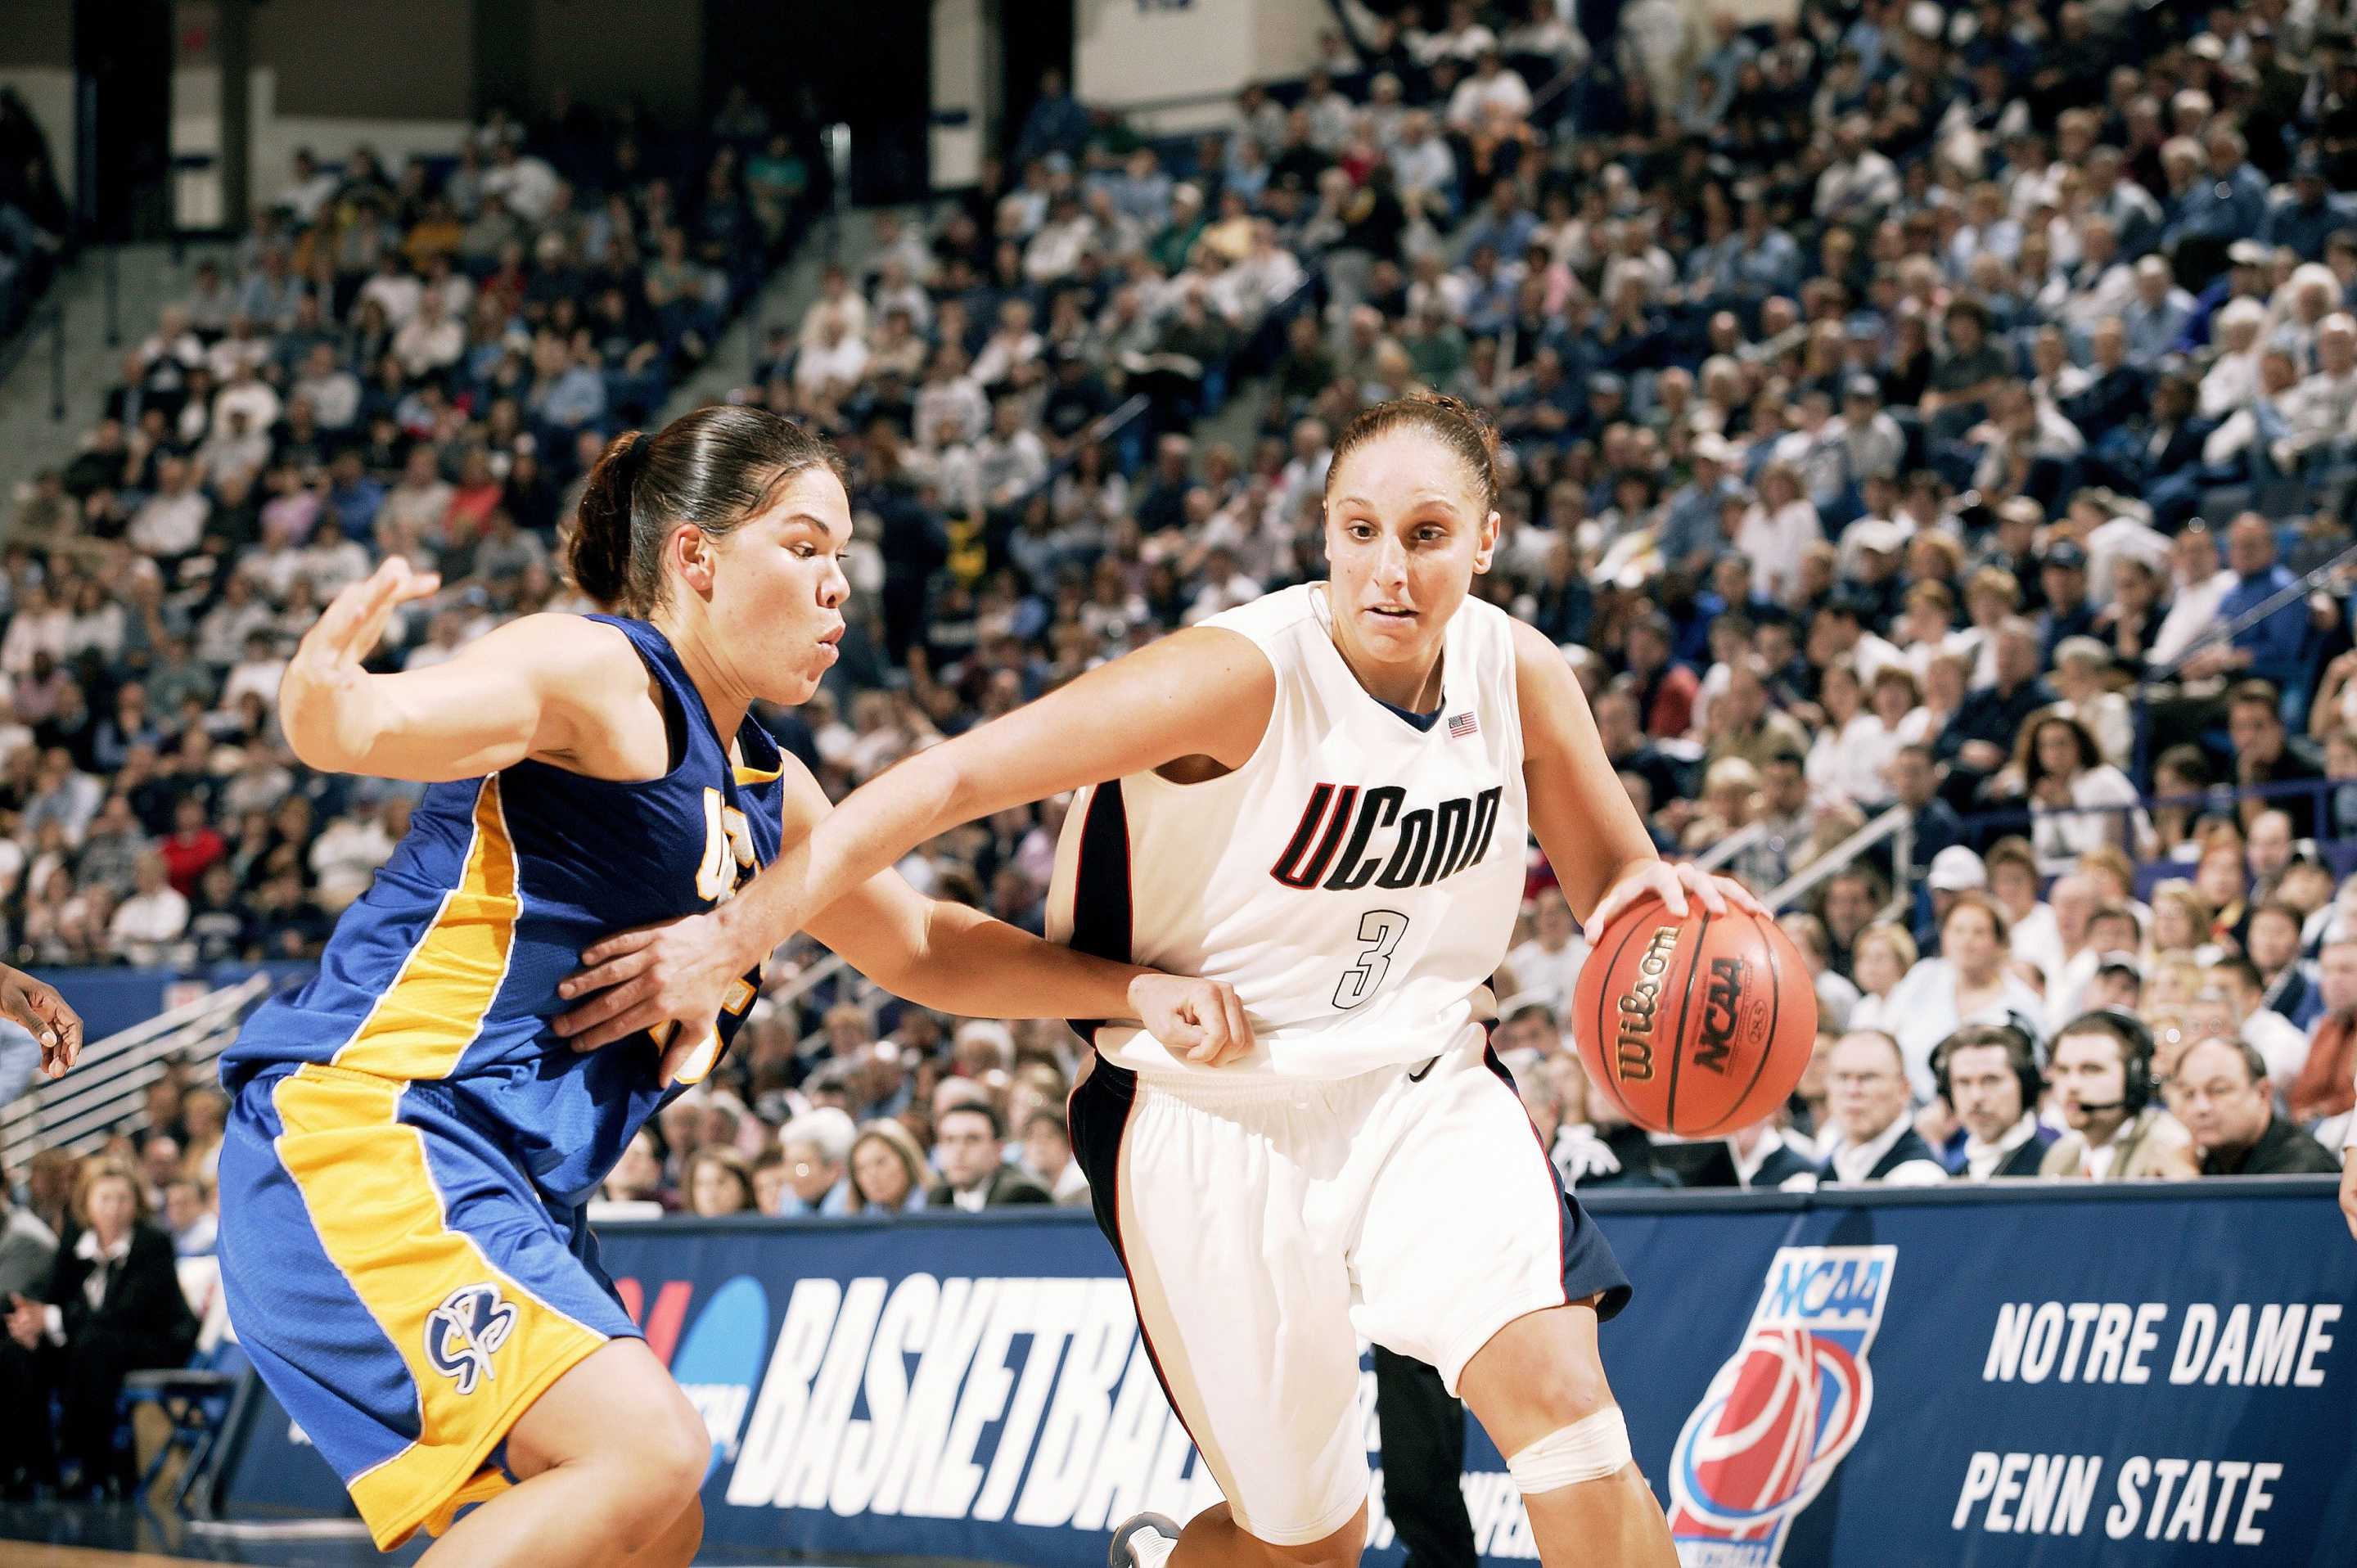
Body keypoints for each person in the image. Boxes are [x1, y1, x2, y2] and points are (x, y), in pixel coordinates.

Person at [553, 394, 1738, 1568]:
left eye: (1429, 536)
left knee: (1564, 1402)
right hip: (1211, 1114)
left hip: (1421, 1084)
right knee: (1305, 1548)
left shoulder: (1514, 669)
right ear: (1322, 531)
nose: (1390, 570)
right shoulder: (1237, 677)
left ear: (1484, 543)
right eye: (1360, 531)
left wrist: (1675, 919)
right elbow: (947, 782)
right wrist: (737, 931)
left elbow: (1619, 884)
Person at [202, 407, 1244, 1566]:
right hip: (373, 1126)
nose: (838, 585)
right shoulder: (600, 674)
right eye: (804, 548)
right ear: (694, 557)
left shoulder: (766, 783)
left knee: (658, 1521)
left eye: (843, 555)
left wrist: (1126, 990)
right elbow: (383, 721)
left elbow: (919, 948)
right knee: (647, 1457)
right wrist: (323, 691)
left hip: (508, 1184)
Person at [4, 1156, 199, 1496]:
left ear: (136, 1203)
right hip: (90, 1343)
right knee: (17, 1351)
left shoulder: (151, 1244)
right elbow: (54, 1298)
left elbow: (127, 1313)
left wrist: (50, 1319)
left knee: (94, 1345)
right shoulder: (77, 1242)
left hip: (154, 1343)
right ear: (87, 1203)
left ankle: (90, 1465)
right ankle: (29, 1466)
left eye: (122, 1199)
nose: (114, 1209)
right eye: (105, 1199)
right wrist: (30, 1324)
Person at [2039, 1012, 2200, 1179]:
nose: (2072, 1085)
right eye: (2063, 1070)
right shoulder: (2060, 1156)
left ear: (2135, 1078)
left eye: (2091, 1069)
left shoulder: (2166, 1148)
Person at [2177, 1036, 2340, 1176]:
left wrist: (2186, 1185)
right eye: (2188, 1094)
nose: (2201, 1108)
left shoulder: (2301, 1170)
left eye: (2219, 1090)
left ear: (2263, 1093)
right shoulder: (2212, 1157)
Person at [1815, 1030, 1949, 1184]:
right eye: (1842, 1077)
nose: (1852, 1091)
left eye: (1868, 1077)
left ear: (1903, 1090)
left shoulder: (1920, 1175)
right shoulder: (1831, 1165)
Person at [1931, 1024, 2055, 1178]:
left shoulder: (2054, 1167)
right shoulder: (1954, 1173)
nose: (1976, 1096)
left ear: (2025, 1086)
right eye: (1963, 1082)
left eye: (1991, 1080)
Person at [929, 1102, 1053, 1209]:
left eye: (972, 1140)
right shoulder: (938, 1197)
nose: (959, 1151)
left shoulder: (1024, 1196)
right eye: (949, 1140)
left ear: (998, 1150)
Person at [773, 1106, 856, 1216]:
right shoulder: (789, 1203)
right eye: (786, 1164)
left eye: (801, 1167)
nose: (788, 1176)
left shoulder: (858, 1213)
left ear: (835, 1170)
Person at [846, 1120, 931, 1214]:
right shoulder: (866, 1217)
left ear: (906, 1159)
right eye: (861, 1168)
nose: (872, 1175)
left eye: (880, 1162)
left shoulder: (941, 1202)